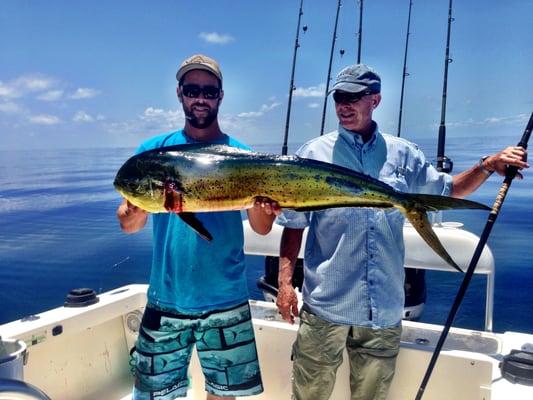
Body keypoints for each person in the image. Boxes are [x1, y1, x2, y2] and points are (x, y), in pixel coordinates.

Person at [275, 63, 528, 400]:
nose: (343, 105)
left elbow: (447, 191)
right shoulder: (312, 154)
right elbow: (292, 226)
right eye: (338, 97)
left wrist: (487, 165)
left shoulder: (402, 153)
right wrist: (284, 285)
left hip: (384, 310)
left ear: (375, 100)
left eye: (353, 97)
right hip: (325, 308)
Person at [117, 54, 279, 400]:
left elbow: (262, 228)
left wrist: (267, 207)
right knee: (153, 395)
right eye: (192, 90)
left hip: (226, 297)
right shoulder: (154, 152)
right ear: (180, 94)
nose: (200, 98)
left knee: (223, 395)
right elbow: (129, 224)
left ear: (220, 96)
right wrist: (132, 210)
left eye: (209, 90)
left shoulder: (242, 155)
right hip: (167, 296)